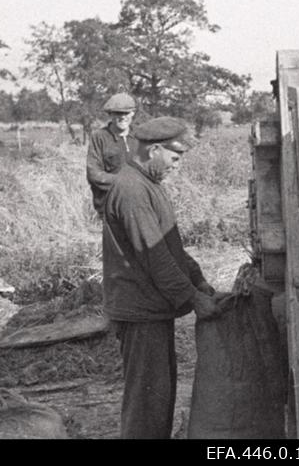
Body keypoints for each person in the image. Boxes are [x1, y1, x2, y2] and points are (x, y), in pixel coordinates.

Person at [102, 116, 219, 439]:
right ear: (154, 150)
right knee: (146, 405)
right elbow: (155, 257)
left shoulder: (147, 185)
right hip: (140, 311)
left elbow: (170, 246)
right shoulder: (131, 190)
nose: (177, 166)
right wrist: (194, 298)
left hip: (151, 308)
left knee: (158, 398)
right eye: (175, 158)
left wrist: (198, 280)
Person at [86, 93, 140, 217]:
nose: (122, 117)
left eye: (126, 113)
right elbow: (93, 174)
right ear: (110, 114)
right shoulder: (99, 137)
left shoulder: (140, 136)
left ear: (133, 113)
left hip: (139, 203)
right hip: (110, 205)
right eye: (117, 113)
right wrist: (124, 183)